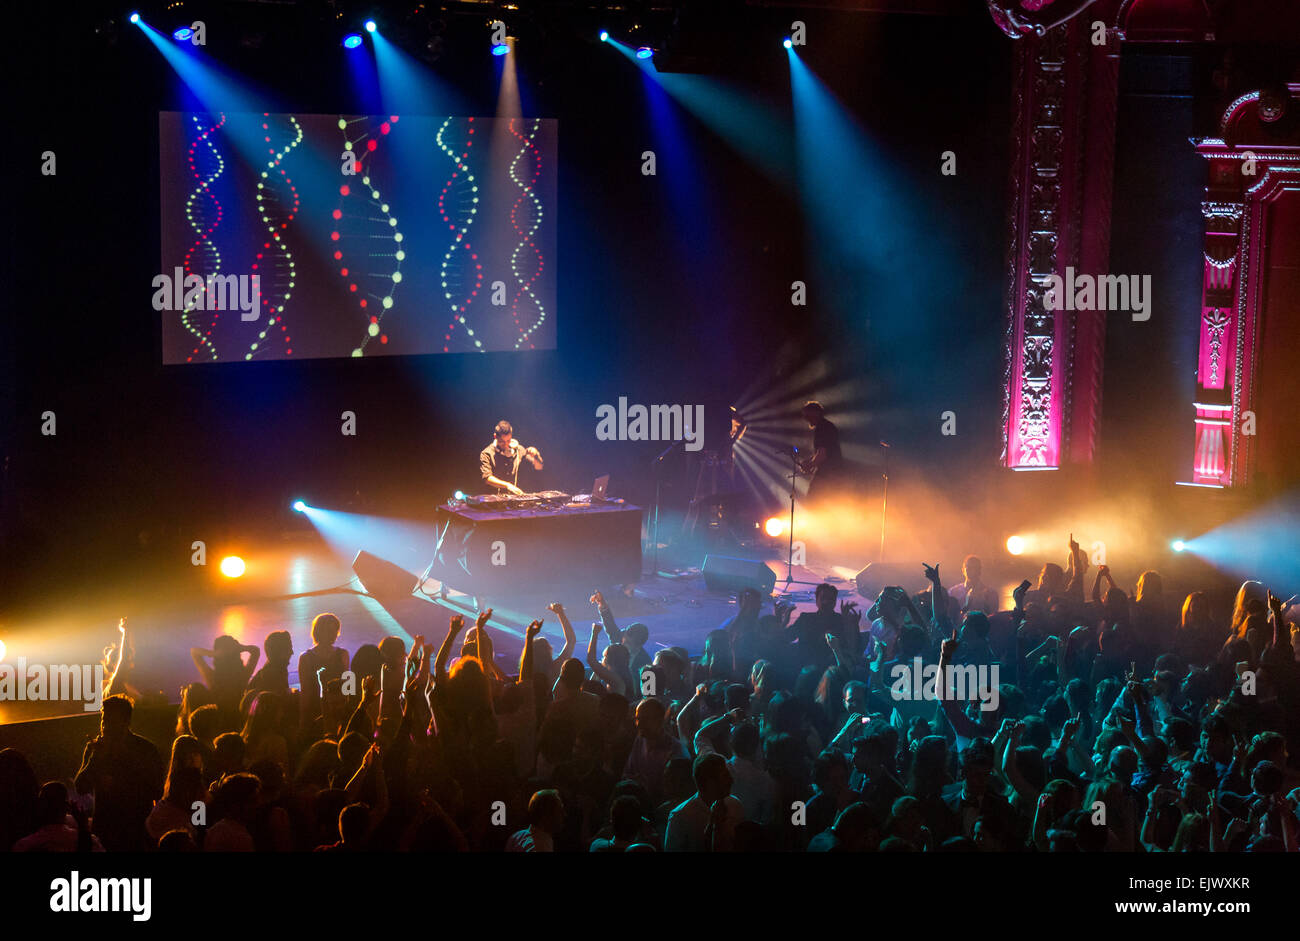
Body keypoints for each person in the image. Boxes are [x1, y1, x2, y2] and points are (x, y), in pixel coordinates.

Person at [74, 694, 165, 852]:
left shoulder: (145, 749)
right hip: (105, 831)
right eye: (104, 720)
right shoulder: (96, 749)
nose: (106, 727)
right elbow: (80, 787)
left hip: (137, 831)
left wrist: (125, 760)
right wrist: (95, 759)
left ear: (126, 722)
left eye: (112, 722)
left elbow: (157, 791)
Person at [663, 753, 744, 851]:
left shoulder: (735, 805)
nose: (731, 780)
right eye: (725, 776)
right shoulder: (680, 816)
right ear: (709, 782)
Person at [479, 419, 543, 495]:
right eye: (502, 442)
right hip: (493, 501)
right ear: (495, 436)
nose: (506, 445)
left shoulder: (518, 450)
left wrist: (536, 455)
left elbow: (539, 467)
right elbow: (487, 478)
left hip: (513, 500)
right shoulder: (486, 453)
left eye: (508, 441)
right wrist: (507, 485)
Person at [797, 401, 843, 501]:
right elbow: (821, 452)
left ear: (815, 413)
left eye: (807, 414)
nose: (805, 418)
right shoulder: (826, 426)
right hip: (834, 472)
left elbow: (822, 454)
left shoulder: (823, 428)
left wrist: (809, 465)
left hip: (830, 473)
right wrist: (810, 461)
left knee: (813, 499)